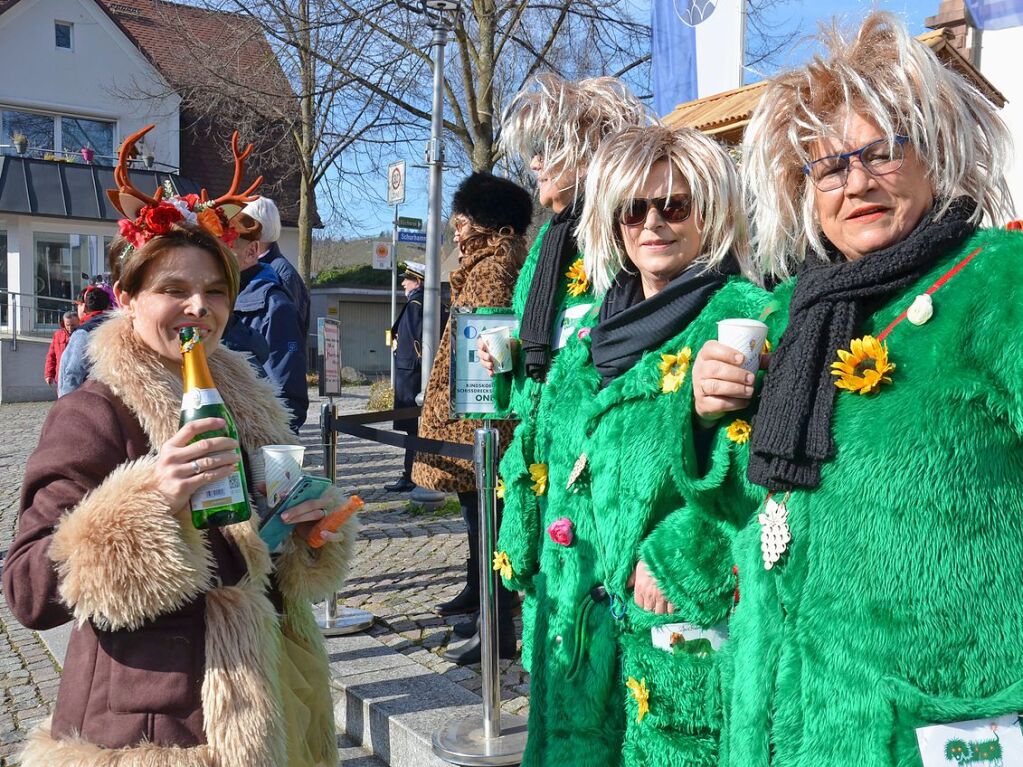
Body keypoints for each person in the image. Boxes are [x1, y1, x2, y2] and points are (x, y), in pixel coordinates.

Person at [690, 13, 1018, 767]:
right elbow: (751, 509)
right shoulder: (795, 313)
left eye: (881, 152)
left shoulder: (999, 282)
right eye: (829, 166)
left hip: (939, 724)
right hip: (788, 712)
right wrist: (708, 417)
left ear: (934, 155)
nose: (857, 181)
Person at [2, 130, 355, 766]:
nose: (199, 306)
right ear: (129, 297)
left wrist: (308, 530)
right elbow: (27, 590)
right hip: (158, 726)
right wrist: (150, 500)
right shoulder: (94, 413)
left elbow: (259, 553)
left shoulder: (248, 404)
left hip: (273, 689)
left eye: (216, 290)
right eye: (173, 289)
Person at [497, 123, 767, 767]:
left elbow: (770, 478)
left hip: (670, 632)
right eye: (632, 209)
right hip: (573, 624)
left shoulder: (746, 321)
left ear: (714, 214)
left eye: (675, 205)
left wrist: (684, 558)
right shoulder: (593, 326)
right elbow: (545, 436)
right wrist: (524, 541)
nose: (653, 223)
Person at [477, 74, 650, 641]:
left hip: (600, 488)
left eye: (547, 149)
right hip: (541, 479)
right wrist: (505, 358)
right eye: (532, 151)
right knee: (551, 642)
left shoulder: (626, 237)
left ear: (593, 144)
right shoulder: (549, 244)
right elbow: (541, 357)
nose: (535, 164)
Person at [411, 172, 532, 663]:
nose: (456, 231)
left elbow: (487, 357)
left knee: (488, 520)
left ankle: (496, 622)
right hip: (469, 419)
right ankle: (478, 596)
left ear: (488, 225)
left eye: (462, 221)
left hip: (478, 420)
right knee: (475, 515)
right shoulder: (482, 267)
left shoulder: (491, 271)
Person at [231, 225, 309, 433]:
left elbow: (287, 396)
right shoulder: (216, 300)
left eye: (226, 247)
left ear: (251, 250)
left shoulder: (276, 307)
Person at [238, 195, 311, 341]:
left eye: (240, 223)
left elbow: (287, 341)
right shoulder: (252, 266)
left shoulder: (283, 275)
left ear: (255, 227)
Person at [385, 262, 425, 493]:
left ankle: (410, 476)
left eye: (407, 279)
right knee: (414, 431)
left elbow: (420, 345)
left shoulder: (416, 306)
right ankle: (410, 474)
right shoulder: (418, 304)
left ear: (417, 281)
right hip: (411, 376)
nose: (402, 283)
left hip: (412, 378)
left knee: (414, 430)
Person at [58, 284, 112, 397]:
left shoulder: (84, 333)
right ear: (108, 306)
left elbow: (74, 372)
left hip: (89, 399)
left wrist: (65, 404)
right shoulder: (119, 327)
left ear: (85, 308)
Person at [44, 310, 78, 387]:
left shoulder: (82, 334)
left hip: (77, 378)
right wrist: (49, 374)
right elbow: (51, 356)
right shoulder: (58, 335)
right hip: (61, 377)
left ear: (78, 322)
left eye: (73, 325)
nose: (70, 328)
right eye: (67, 325)